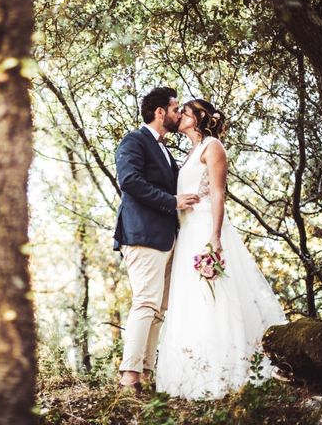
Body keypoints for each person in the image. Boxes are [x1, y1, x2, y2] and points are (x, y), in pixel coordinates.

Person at [155, 98, 286, 400]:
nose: (181, 115)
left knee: (214, 297)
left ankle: (227, 372)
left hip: (204, 229)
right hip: (187, 230)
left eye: (185, 112)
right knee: (192, 299)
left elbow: (217, 192)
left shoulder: (213, 147)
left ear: (199, 118)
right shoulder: (189, 152)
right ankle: (191, 373)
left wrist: (215, 236)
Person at [113, 87, 200, 392]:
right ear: (160, 112)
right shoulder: (134, 140)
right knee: (146, 302)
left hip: (166, 238)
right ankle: (128, 376)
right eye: (176, 109)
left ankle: (145, 372)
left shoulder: (165, 150)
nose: (179, 114)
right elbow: (129, 181)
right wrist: (172, 201)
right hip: (142, 235)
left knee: (159, 309)